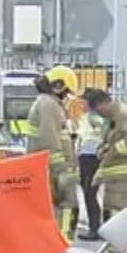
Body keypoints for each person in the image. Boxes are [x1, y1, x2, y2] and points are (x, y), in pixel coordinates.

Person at [29, 66, 80, 235]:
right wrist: (62, 170)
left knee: (58, 208)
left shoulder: (48, 103)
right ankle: (64, 240)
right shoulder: (48, 105)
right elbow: (49, 140)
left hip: (50, 168)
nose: (66, 96)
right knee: (68, 206)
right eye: (66, 92)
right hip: (55, 169)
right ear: (58, 85)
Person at [84, 88, 127, 220]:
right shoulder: (111, 116)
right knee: (111, 210)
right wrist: (103, 148)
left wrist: (109, 153)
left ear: (104, 103)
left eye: (98, 110)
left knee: (122, 213)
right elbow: (112, 138)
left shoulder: (123, 114)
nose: (99, 114)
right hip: (115, 174)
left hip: (124, 173)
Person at [75, 107, 104, 239]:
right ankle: (94, 228)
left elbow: (100, 133)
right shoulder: (84, 117)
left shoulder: (98, 117)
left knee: (90, 193)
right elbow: (82, 136)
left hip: (93, 157)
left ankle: (95, 229)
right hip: (84, 156)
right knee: (88, 194)